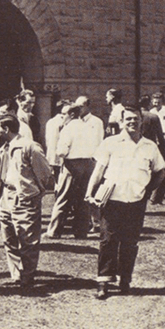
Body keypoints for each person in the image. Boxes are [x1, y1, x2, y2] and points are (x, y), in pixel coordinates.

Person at [86, 107, 165, 299]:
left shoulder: (149, 146)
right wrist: (89, 193)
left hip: (136, 201)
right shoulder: (110, 143)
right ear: (121, 122)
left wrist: (146, 192)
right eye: (128, 119)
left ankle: (125, 280)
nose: (132, 122)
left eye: (136, 119)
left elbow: (160, 171)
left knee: (130, 243)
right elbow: (98, 171)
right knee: (108, 241)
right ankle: (103, 281)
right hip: (112, 201)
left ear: (141, 121)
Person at [0, 114, 51, 287]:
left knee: (28, 240)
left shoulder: (29, 147)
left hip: (24, 198)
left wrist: (34, 192)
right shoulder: (4, 147)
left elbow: (45, 173)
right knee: (9, 238)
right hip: (6, 197)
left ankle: (27, 277)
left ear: (6, 129)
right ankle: (16, 275)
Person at [50, 96, 105, 239]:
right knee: (83, 199)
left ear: (71, 115)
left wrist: (58, 153)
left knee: (63, 198)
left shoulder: (68, 128)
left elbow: (62, 151)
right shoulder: (89, 126)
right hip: (88, 164)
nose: (62, 117)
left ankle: (54, 231)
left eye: (64, 115)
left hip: (72, 165)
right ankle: (81, 231)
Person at [140, 94, 165, 158]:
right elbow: (160, 135)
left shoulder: (135, 116)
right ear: (149, 103)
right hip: (150, 145)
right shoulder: (153, 116)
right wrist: (163, 149)